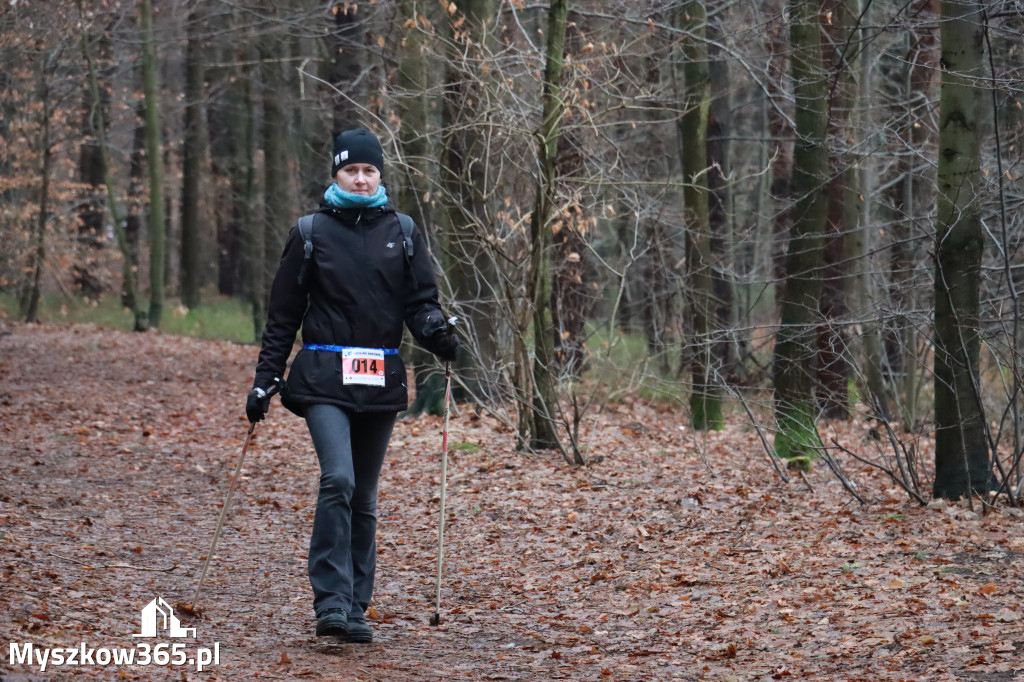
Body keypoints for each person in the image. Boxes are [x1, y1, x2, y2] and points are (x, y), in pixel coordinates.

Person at [246, 127, 459, 643]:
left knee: (363, 496)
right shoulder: (310, 232)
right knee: (337, 479)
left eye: (369, 171)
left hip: (380, 378)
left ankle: (357, 606)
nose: (361, 180)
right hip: (322, 376)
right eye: (351, 171)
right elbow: (283, 316)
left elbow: (420, 303)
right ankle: (331, 602)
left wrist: (435, 331)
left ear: (380, 175)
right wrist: (264, 381)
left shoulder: (404, 231)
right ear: (335, 175)